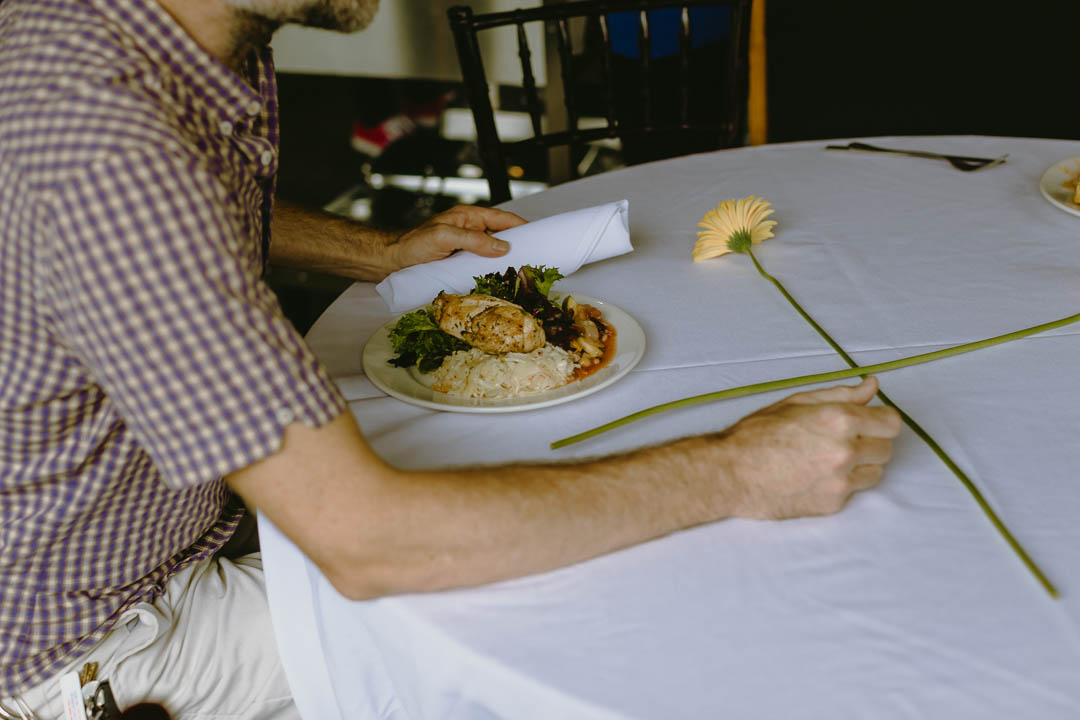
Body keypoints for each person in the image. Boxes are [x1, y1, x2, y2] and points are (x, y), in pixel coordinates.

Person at [0, 0, 902, 718]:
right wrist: (737, 469)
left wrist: (379, 252)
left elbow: (180, 217)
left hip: (163, 529)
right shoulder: (102, 151)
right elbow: (370, 542)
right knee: (586, 596)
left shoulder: (117, 37)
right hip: (100, 649)